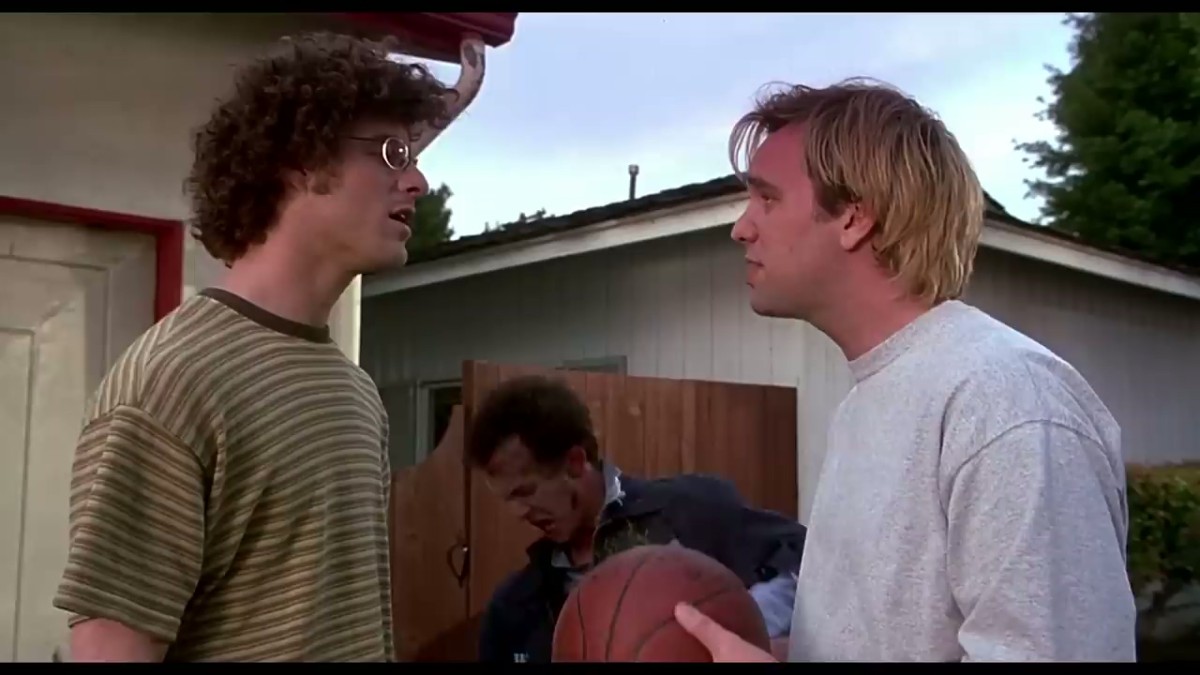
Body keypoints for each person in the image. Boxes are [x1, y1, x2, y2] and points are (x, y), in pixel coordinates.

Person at [51, 31, 486, 662]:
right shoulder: (174, 382)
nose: (417, 181)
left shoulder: (355, 392)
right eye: (394, 153)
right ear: (302, 162)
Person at [675, 78, 1138, 662]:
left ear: (854, 217)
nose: (741, 227)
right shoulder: (865, 404)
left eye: (767, 199)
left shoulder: (1006, 401)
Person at [466, 375, 807, 663]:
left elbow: (802, 560)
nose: (519, 513)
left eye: (526, 491)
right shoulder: (514, 608)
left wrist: (743, 627)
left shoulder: (689, 508)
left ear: (575, 462)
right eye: (508, 500)